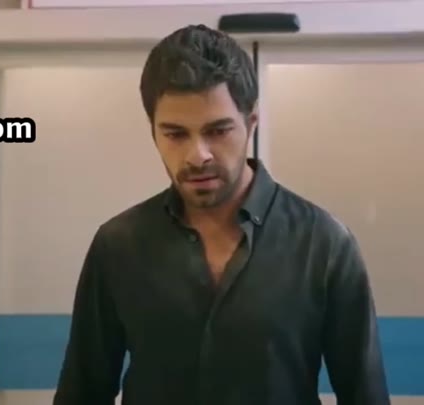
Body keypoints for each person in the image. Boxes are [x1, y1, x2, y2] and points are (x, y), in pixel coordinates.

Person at [53, 24, 390, 405]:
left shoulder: (324, 244)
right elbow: (82, 392)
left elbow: (366, 397)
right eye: (176, 134)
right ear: (154, 132)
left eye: (217, 131)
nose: (198, 155)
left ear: (251, 123)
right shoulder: (118, 245)